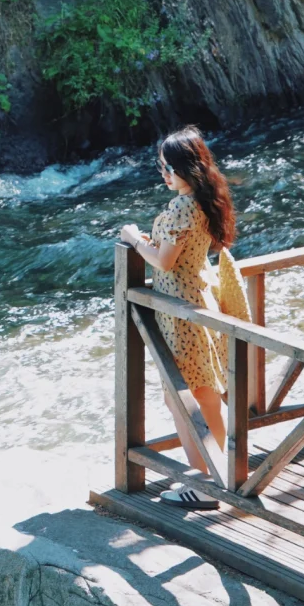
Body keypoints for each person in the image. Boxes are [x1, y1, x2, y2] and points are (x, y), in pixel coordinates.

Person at [118, 125, 237, 510]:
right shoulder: (205, 199)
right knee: (205, 395)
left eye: (168, 167)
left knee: (182, 400)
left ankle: (201, 485)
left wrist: (135, 239)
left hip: (181, 311)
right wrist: (154, 244)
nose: (164, 174)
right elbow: (180, 255)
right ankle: (228, 475)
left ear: (188, 168)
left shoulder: (184, 206)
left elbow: (166, 261)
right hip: (199, 300)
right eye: (161, 167)